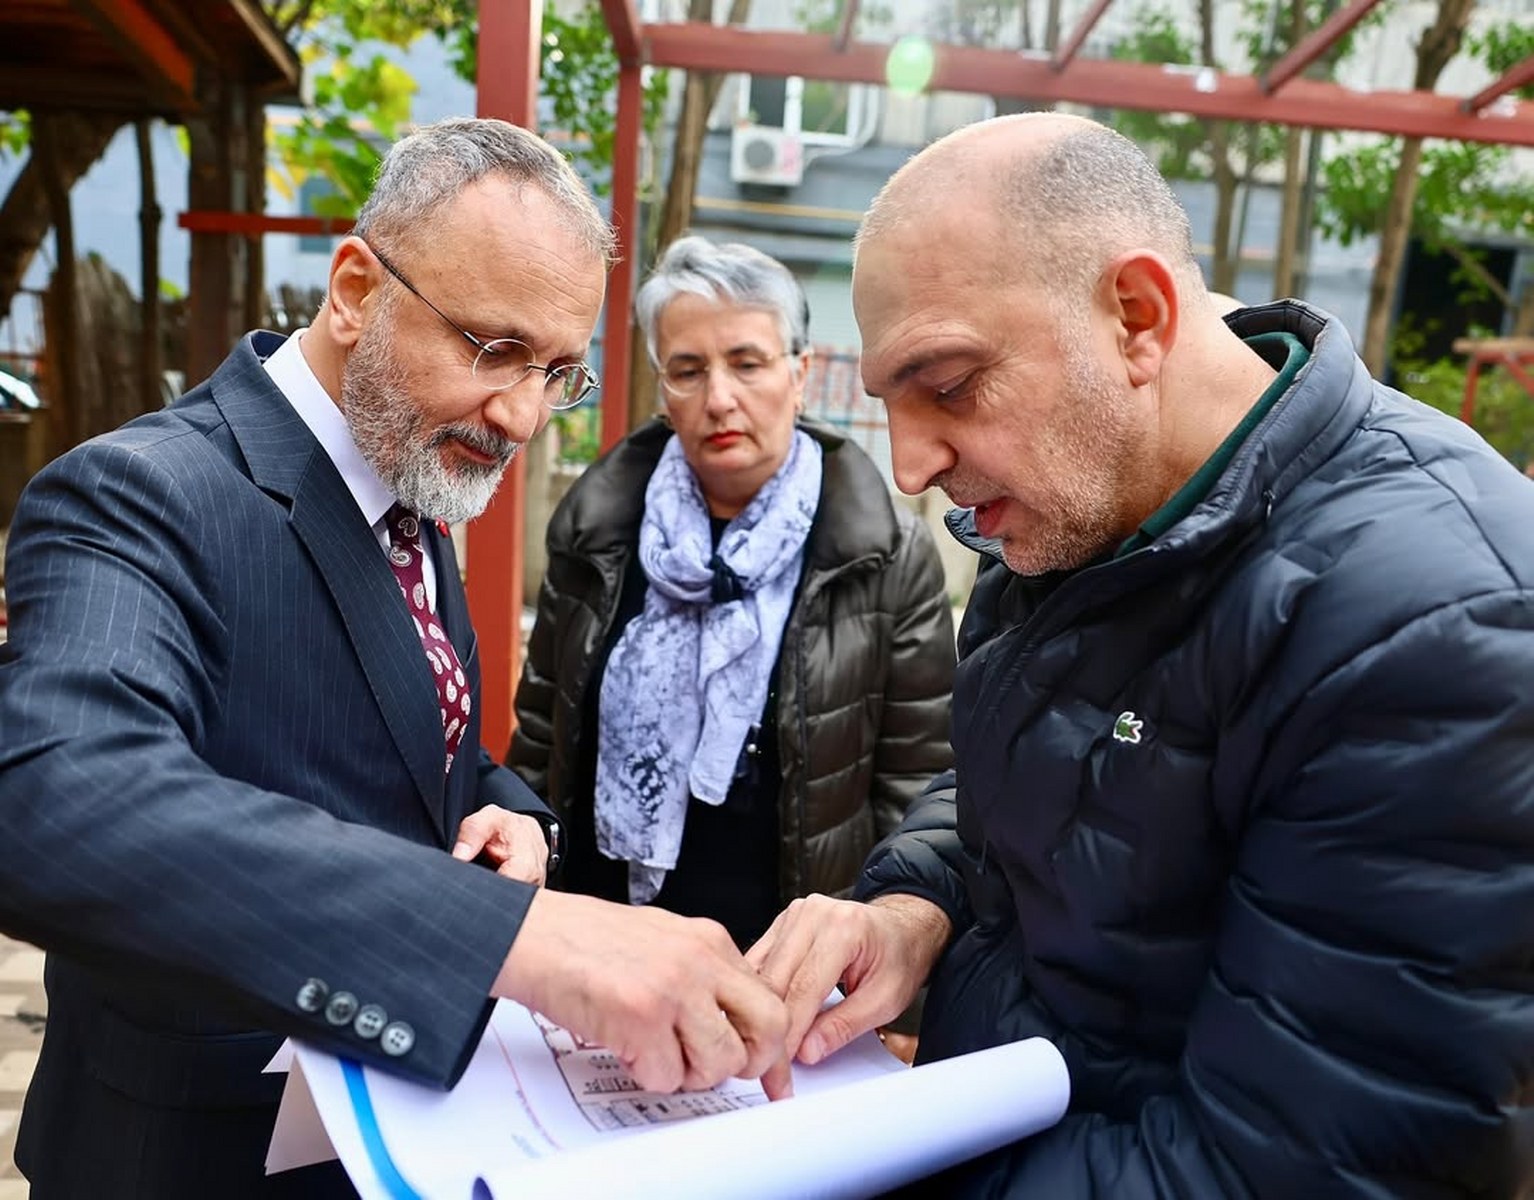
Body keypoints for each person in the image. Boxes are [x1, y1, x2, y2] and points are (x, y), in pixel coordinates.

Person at [748, 112, 1534, 1196]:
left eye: (950, 384)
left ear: (1136, 315)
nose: (914, 464)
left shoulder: (1436, 627)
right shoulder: (1084, 493)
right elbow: (1029, 765)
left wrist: (879, 1162)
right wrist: (912, 907)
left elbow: (1294, 1173)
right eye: (890, 403)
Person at [0, 118, 788, 1198]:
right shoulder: (141, 491)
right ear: (357, 290)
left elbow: (421, 760)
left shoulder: (409, 476)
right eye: (492, 349)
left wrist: (509, 812)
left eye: (556, 371)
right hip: (191, 1157)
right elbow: (59, 801)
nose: (520, 415)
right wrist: (517, 938)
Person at [507, 235, 955, 953]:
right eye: (688, 370)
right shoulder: (598, 530)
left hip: (779, 963)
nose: (720, 399)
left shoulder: (881, 554)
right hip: (596, 943)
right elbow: (539, 736)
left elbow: (918, 785)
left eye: (747, 363)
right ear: (663, 390)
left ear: (800, 373)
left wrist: (895, 985)